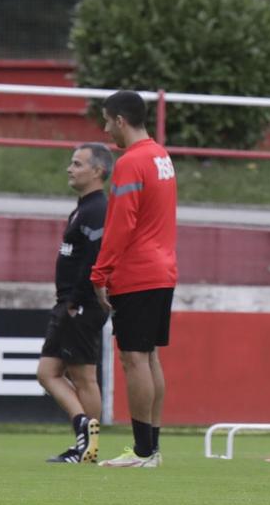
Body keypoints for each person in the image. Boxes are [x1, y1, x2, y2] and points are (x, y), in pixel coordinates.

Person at [91, 91, 178, 469]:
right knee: (149, 357)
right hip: (163, 269)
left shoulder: (130, 162)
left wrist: (101, 272)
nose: (106, 128)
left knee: (133, 358)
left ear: (121, 121)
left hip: (138, 272)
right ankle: (151, 448)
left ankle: (143, 451)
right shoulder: (161, 156)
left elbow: (121, 223)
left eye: (107, 121)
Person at [40, 143, 111, 464]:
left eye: (78, 164)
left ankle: (88, 444)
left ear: (98, 171)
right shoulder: (84, 207)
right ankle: (85, 434)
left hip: (79, 304)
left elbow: (96, 261)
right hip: (70, 303)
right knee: (48, 372)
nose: (70, 168)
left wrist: (76, 300)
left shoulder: (98, 209)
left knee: (83, 377)